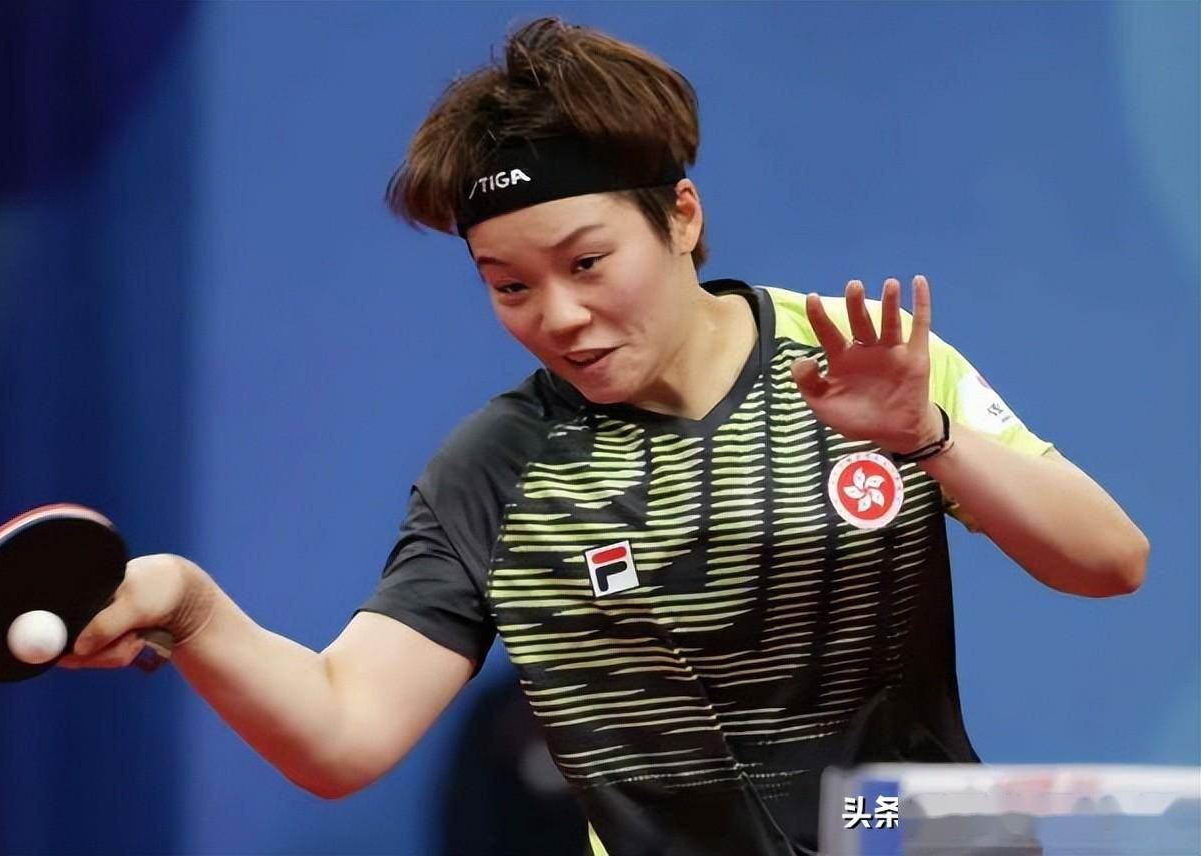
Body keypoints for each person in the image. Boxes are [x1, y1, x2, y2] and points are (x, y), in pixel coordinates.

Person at [60, 16, 1150, 856]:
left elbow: (1110, 562)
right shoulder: (497, 468)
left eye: (586, 262)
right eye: (509, 286)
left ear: (680, 216)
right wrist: (195, 611)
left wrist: (927, 434)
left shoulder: (856, 357)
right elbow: (343, 733)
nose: (560, 315)